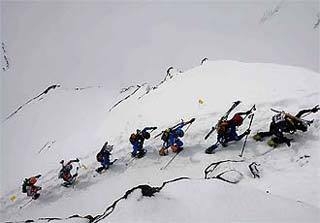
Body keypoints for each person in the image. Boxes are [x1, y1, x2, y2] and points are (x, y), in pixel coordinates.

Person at [253, 106, 319, 147]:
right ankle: (272, 141)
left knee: (273, 132)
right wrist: (285, 139)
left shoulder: (295, 119)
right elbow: (280, 131)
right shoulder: (289, 127)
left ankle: (260, 135)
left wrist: (311, 110)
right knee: (274, 134)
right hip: (277, 126)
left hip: (275, 123)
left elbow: (301, 112)